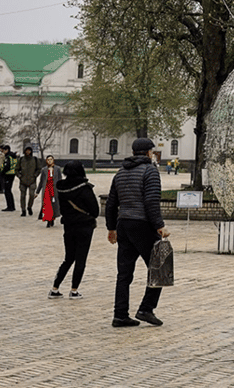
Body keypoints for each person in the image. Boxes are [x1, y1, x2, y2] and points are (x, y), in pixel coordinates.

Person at [105, 137, 170, 328]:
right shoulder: (150, 170)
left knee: (124, 274)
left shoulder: (121, 172)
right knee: (160, 265)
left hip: (123, 224)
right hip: (142, 225)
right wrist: (159, 225)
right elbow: (151, 201)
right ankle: (146, 308)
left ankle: (120, 314)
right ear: (149, 152)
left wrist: (111, 228)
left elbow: (111, 203)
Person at [50, 160, 99, 299]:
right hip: (84, 226)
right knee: (80, 259)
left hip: (68, 225)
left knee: (68, 258)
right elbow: (95, 210)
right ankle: (74, 290)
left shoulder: (61, 187)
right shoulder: (84, 188)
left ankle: (55, 288)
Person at [38, 154, 61, 227]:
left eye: (51, 159)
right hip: (46, 189)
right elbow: (41, 181)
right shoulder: (44, 170)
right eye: (48, 160)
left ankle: (52, 218)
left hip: (54, 189)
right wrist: (37, 191)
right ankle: (48, 220)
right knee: (47, 205)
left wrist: (61, 189)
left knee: (54, 204)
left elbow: (60, 180)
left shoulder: (57, 169)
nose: (50, 161)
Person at [17, 146, 41, 216]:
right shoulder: (21, 159)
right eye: (26, 150)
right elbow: (16, 169)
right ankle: (23, 210)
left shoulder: (35, 159)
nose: (28, 152)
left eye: (29, 151)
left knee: (31, 195)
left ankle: (29, 206)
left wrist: (35, 175)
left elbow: (39, 168)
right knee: (22, 196)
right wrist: (19, 176)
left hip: (32, 180)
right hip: (23, 180)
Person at [0, 145, 17, 211]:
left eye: (4, 150)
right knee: (9, 190)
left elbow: (7, 166)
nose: (3, 151)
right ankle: (12, 206)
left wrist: (2, 172)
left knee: (7, 191)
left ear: (7, 150)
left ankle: (10, 206)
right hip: (12, 173)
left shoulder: (8, 157)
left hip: (8, 174)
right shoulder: (13, 156)